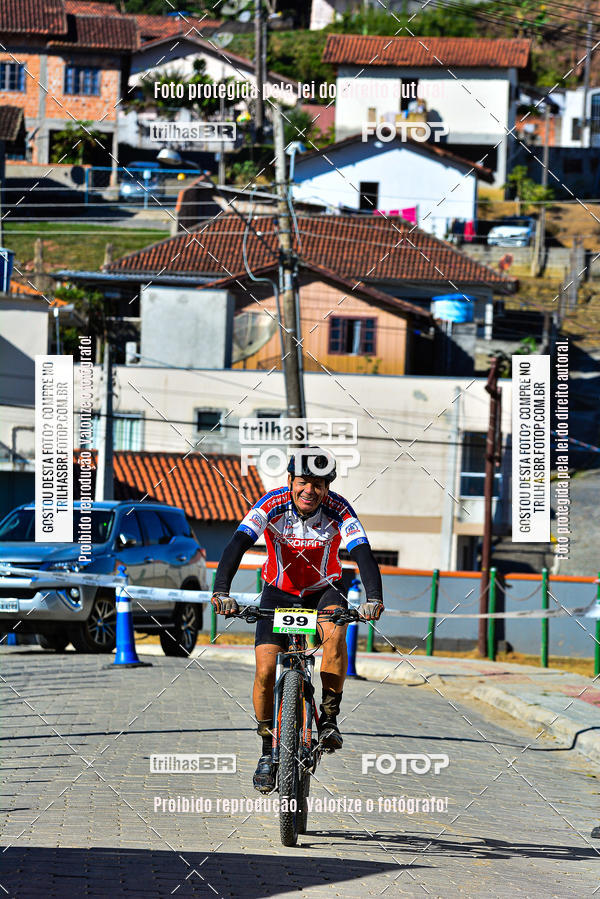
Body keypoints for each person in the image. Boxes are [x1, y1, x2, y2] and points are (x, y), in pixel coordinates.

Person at [211, 446, 384, 793]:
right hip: (278, 592)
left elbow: (362, 551)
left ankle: (330, 718)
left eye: (319, 485)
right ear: (290, 480)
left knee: (335, 635)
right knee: (264, 671)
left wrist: (374, 597)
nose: (310, 490)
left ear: (328, 488)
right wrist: (221, 590)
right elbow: (237, 543)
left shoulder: (339, 509)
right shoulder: (271, 504)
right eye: (304, 482)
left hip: (324, 590)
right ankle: (266, 750)